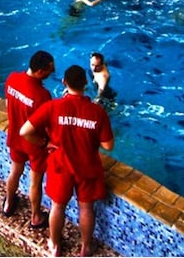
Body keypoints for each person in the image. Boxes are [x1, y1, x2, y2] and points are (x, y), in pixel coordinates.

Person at [20, 65, 114, 258]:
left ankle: (54, 246)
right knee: (86, 208)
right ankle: (86, 248)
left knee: (57, 206)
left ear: (64, 83)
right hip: (87, 166)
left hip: (60, 166)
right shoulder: (97, 112)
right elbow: (108, 145)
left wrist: (44, 143)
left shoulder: (52, 107)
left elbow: (24, 131)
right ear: (86, 83)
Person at [3, 50, 55, 228]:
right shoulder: (42, 95)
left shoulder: (12, 79)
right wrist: (47, 142)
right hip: (35, 144)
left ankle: (8, 204)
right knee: (35, 182)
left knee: (15, 171)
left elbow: (8, 104)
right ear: (40, 71)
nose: (52, 73)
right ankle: (36, 217)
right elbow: (47, 125)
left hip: (15, 137)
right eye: (49, 70)